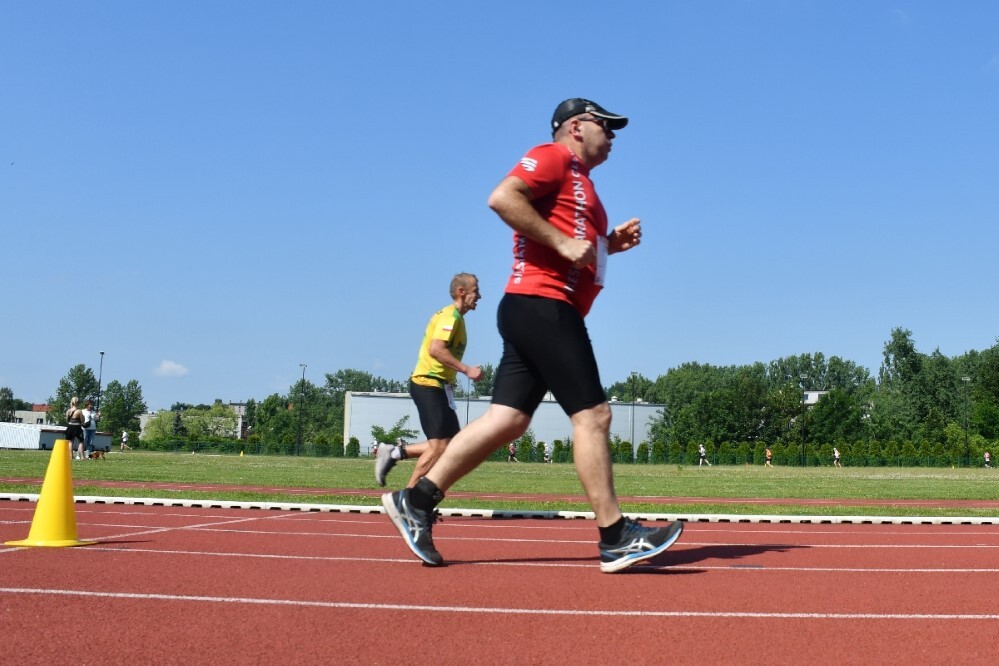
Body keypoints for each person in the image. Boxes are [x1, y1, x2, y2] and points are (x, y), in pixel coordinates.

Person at [382, 98, 683, 573]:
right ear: (577, 127)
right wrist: (564, 242)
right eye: (607, 125)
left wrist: (609, 246)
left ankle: (416, 500)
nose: (615, 134)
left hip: (536, 309)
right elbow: (503, 197)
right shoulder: (552, 155)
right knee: (595, 417)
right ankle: (615, 536)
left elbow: (575, 246)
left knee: (507, 421)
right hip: (543, 307)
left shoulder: (584, 183)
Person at [375, 273, 483, 488]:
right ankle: (408, 497)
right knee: (438, 447)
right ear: (462, 292)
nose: (479, 296)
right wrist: (466, 369)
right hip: (428, 383)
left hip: (439, 386)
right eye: (476, 291)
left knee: (452, 446)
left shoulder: (456, 318)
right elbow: (436, 349)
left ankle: (394, 452)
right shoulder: (450, 317)